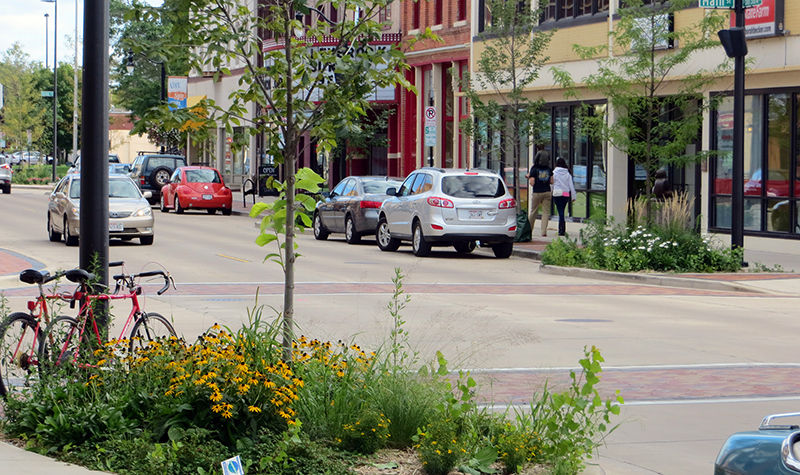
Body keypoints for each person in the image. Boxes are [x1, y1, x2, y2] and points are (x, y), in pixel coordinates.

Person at [526, 150, 553, 237]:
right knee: (545, 212)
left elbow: (532, 183)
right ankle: (544, 231)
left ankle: (529, 230)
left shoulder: (534, 169)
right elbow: (552, 181)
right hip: (547, 191)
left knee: (534, 211)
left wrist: (529, 177)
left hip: (537, 192)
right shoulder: (549, 169)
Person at [552, 157, 577, 236]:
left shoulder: (554, 173)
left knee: (560, 212)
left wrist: (551, 192)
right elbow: (571, 186)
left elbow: (552, 184)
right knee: (562, 211)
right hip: (566, 195)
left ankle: (561, 230)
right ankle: (563, 229)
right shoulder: (567, 173)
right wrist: (573, 196)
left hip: (557, 194)